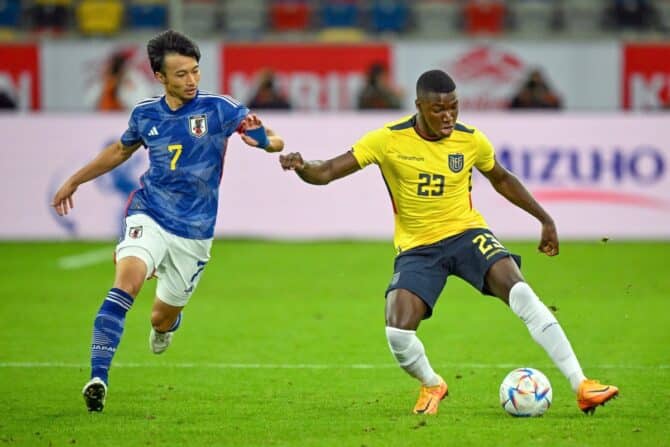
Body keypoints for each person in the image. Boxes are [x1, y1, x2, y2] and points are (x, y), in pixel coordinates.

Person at [279, 69, 618, 415]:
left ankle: (582, 385)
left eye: (454, 107)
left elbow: (501, 178)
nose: (448, 116)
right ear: (419, 106)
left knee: (521, 293)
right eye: (439, 109)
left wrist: (544, 219)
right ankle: (432, 384)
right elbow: (329, 171)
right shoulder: (387, 140)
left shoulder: (470, 140)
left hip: (467, 235)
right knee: (398, 333)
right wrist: (303, 166)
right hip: (418, 249)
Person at [51, 30, 285, 412]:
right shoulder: (146, 113)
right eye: (181, 74)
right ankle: (98, 378)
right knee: (126, 284)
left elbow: (273, 138)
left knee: (161, 316)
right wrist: (75, 180)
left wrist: (264, 141)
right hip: (150, 212)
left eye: (195, 71)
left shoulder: (218, 108)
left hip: (194, 233)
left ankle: (166, 327)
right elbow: (118, 151)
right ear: (159, 77)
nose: (191, 81)